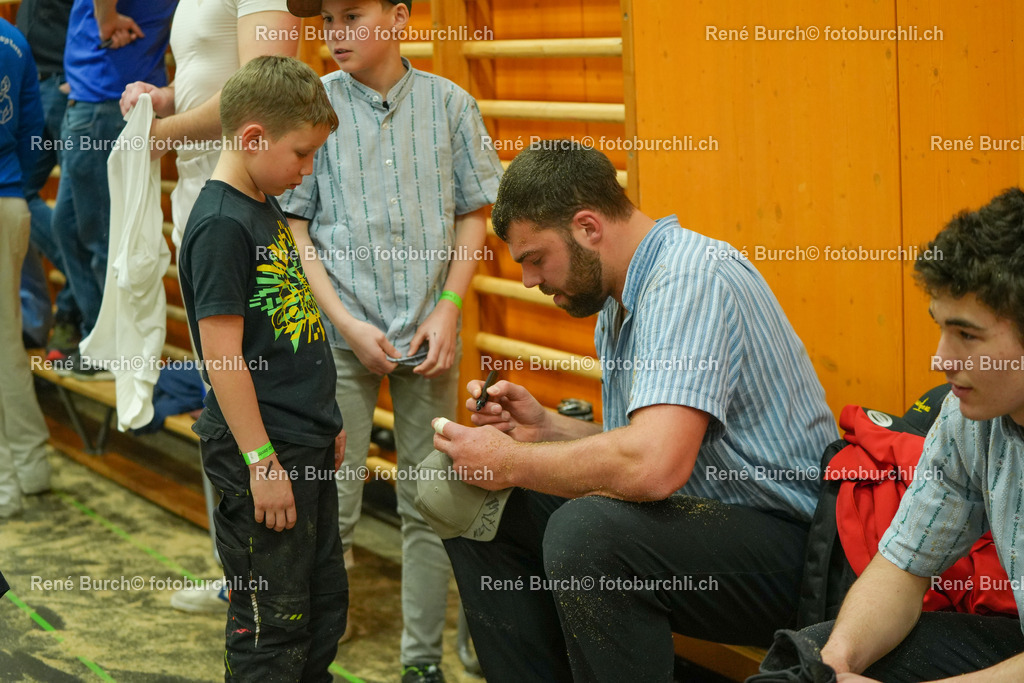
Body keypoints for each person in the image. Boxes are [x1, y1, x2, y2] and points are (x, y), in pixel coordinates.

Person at [429, 142, 838, 681]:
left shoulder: (689, 279)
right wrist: (547, 429)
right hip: (704, 522)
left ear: (587, 227)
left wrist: (507, 461)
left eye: (535, 258)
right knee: (459, 487)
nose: (529, 280)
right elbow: (642, 445)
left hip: (796, 553)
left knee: (587, 534)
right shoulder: (619, 299)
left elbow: (652, 467)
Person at [279, 1, 502, 680]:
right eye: (326, 21)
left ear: (400, 17)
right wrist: (345, 323)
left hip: (429, 339)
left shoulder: (451, 104)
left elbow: (474, 211)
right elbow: (295, 226)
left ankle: (421, 661)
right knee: (334, 502)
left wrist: (450, 306)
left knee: (428, 505)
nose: (334, 34)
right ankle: (315, 652)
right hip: (341, 340)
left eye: (352, 16)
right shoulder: (313, 105)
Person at [790, 188, 1024, 682]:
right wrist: (836, 666)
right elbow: (903, 564)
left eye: (967, 335)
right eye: (941, 329)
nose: (941, 359)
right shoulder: (968, 419)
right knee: (807, 659)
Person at [118, 0, 301, 614]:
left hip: (242, 211)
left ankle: (269, 583)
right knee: (220, 398)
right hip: (205, 202)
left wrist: (160, 134)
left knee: (252, 394)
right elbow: (208, 77)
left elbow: (265, 98)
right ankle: (239, 571)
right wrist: (162, 99)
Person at [177, 55, 347, 680]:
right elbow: (223, 356)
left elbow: (289, 328)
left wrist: (325, 418)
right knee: (272, 627)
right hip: (264, 451)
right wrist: (261, 462)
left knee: (321, 609)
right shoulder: (222, 224)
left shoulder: (262, 202)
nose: (307, 169)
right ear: (253, 138)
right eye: (301, 153)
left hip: (302, 439)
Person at [51, 0, 175, 375]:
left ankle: (113, 350)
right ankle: (101, 339)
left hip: (105, 99)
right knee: (68, 226)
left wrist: (105, 20)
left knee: (103, 238)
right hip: (94, 95)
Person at [0, 17, 52, 517]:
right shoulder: (14, 39)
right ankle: (31, 467)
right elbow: (34, 130)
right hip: (10, 202)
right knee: (6, 341)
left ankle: (5, 487)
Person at [14, 0, 81, 359]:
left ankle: (73, 306)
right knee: (12, 192)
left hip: (65, 81)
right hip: (33, 83)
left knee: (77, 212)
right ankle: (73, 287)